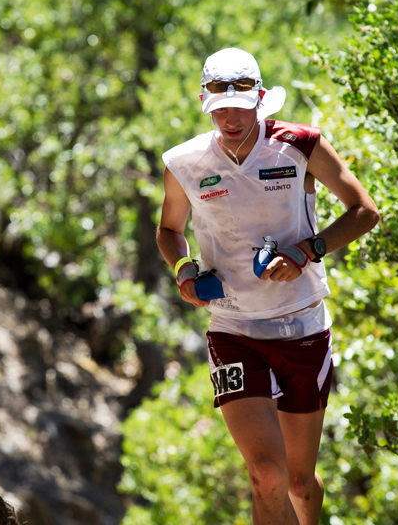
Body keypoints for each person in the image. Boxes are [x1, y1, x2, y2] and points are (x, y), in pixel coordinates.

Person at [156, 48, 379, 525]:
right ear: (204, 102)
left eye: (241, 105)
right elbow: (168, 229)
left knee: (298, 481)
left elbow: (364, 211)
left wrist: (307, 251)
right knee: (266, 476)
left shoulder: (298, 145)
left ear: (261, 99)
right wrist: (183, 270)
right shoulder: (185, 161)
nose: (231, 117)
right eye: (220, 108)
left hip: (302, 324)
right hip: (233, 328)